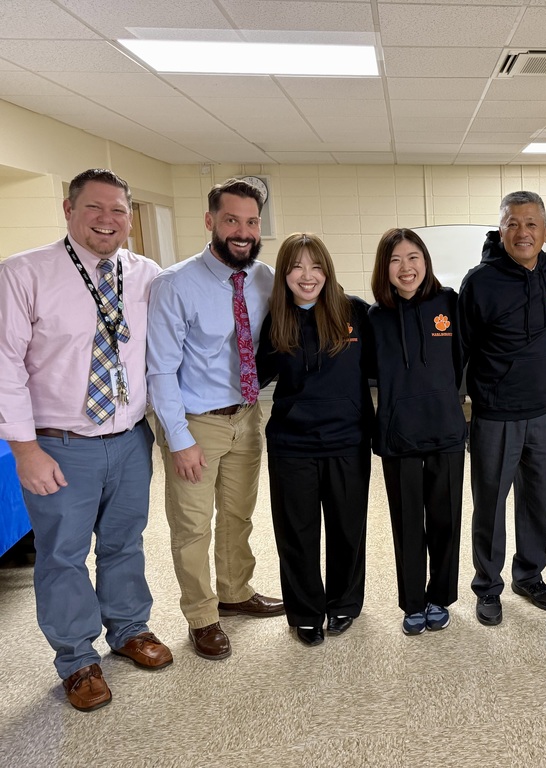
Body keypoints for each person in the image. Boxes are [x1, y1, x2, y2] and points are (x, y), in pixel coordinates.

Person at [0, 169, 170, 712]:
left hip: (130, 438)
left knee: (125, 541)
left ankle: (129, 628)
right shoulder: (23, 273)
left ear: (129, 218)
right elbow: (5, 365)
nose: (107, 220)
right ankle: (76, 659)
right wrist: (25, 449)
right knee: (62, 554)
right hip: (59, 444)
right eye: (94, 207)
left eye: (118, 210)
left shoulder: (146, 275)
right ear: (69, 209)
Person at [148, 178, 283, 661]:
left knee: (238, 514)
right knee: (192, 526)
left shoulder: (265, 278)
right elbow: (160, 369)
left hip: (247, 414)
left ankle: (235, 591)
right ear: (210, 221)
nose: (243, 232)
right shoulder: (174, 284)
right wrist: (179, 438)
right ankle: (202, 616)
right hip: (195, 422)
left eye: (252, 222)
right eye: (231, 220)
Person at [256, 233, 373, 646]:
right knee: (297, 533)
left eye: (316, 266)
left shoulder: (355, 312)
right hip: (292, 444)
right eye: (297, 267)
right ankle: (305, 612)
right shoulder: (276, 319)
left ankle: (344, 603)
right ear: (284, 274)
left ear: (328, 270)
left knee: (347, 529)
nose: (307, 276)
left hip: (347, 440)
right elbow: (256, 374)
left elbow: (384, 366)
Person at [458, 191, 546, 626]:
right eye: (513, 224)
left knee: (537, 501)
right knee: (490, 505)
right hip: (496, 415)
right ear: (500, 230)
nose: (523, 232)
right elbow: (460, 352)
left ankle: (529, 575)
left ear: (545, 231)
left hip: (542, 413)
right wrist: (459, 414)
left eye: (531, 224)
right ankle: (487, 585)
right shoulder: (479, 282)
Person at [368, 229, 465, 635]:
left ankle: (439, 596)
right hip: (399, 435)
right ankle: (412, 602)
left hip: (445, 429)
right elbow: (369, 373)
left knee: (445, 520)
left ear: (425, 261)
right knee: (407, 524)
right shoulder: (375, 318)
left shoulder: (449, 303)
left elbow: (461, 360)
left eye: (413, 258)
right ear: (384, 268)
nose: (406, 268)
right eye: (395, 260)